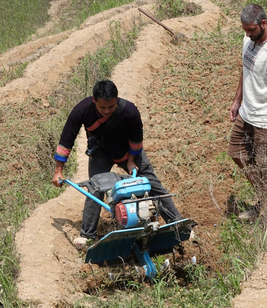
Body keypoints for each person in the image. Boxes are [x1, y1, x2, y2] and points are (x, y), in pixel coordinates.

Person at [52, 79, 183, 250]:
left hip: (128, 151)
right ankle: (87, 235)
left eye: (111, 107)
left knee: (151, 184)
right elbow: (66, 140)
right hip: (101, 153)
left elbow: (136, 140)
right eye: (102, 108)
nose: (107, 111)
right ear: (94, 101)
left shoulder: (129, 111)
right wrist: (58, 171)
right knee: (95, 189)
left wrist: (131, 161)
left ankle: (177, 223)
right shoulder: (82, 110)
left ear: (117, 100)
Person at [228, 4, 267, 220]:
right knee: (237, 153)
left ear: (263, 23)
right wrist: (237, 100)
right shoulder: (249, 40)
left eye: (251, 30)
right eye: (245, 30)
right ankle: (265, 197)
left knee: (265, 165)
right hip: (247, 112)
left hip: (266, 118)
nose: (247, 34)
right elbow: (245, 69)